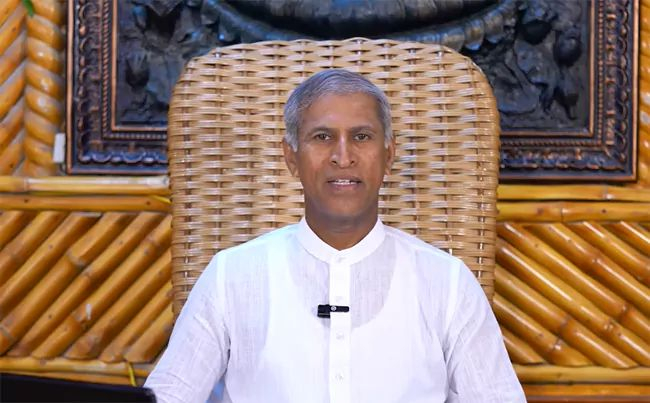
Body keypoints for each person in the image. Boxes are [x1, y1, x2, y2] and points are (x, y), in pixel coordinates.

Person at [145, 69, 525, 403]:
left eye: (361, 136)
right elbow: (169, 395)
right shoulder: (231, 276)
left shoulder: (448, 283)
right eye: (323, 136)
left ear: (389, 155)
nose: (343, 157)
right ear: (291, 157)